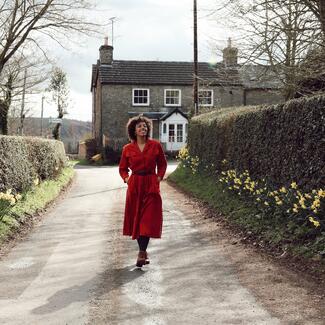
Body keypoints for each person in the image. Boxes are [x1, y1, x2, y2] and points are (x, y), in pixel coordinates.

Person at [119, 115, 167, 267]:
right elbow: (122, 168)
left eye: (145, 126)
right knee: (138, 220)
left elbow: (163, 164)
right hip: (135, 185)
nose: (143, 128)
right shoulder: (127, 149)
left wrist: (159, 178)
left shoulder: (155, 145)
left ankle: (141, 252)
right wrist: (127, 179)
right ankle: (142, 252)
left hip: (151, 185)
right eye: (139, 126)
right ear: (133, 130)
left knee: (147, 219)